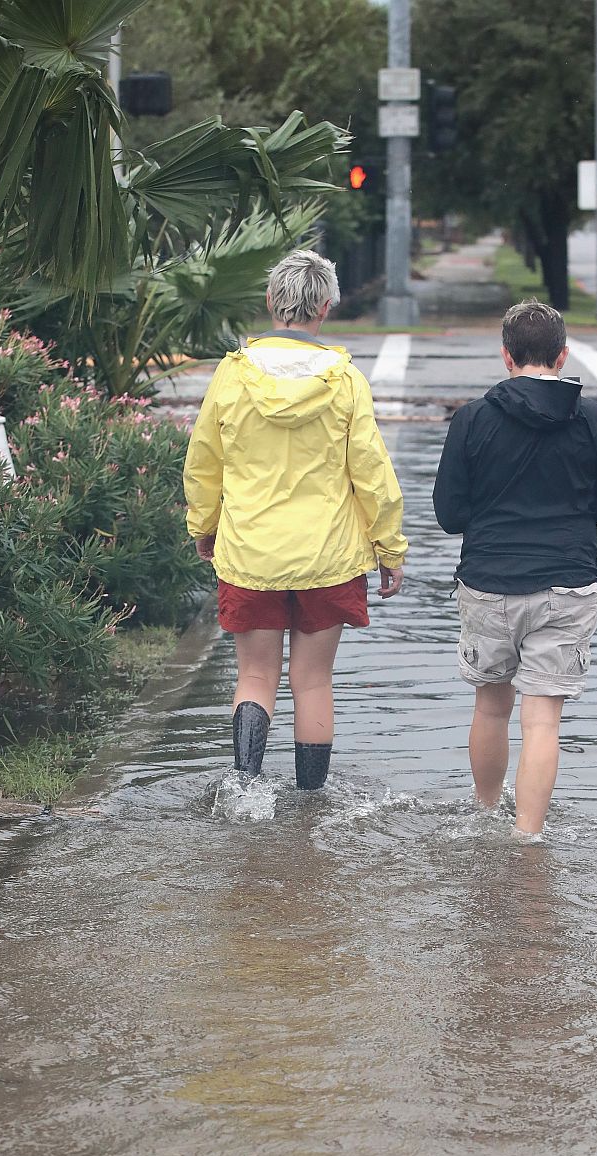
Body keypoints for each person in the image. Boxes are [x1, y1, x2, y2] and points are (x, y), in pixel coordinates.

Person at [183, 250, 407, 790]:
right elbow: (371, 472)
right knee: (312, 682)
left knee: (255, 676)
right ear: (325, 306)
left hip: (250, 552)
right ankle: (310, 803)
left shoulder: (233, 376)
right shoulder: (345, 381)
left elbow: (203, 460)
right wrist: (390, 548)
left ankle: (244, 791)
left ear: (270, 303)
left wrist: (204, 526)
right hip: (328, 556)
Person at [433, 299, 597, 836]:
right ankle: (528, 838)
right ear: (563, 355)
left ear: (505, 356)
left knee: (491, 707)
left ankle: (483, 815)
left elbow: (449, 516)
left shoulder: (472, 419)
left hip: (488, 583)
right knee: (542, 719)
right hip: (566, 584)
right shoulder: (594, 420)